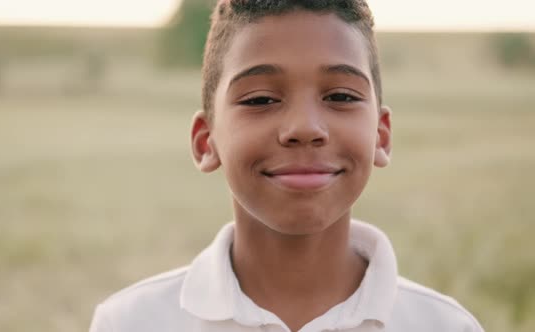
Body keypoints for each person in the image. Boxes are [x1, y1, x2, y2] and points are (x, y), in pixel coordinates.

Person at [89, 1, 484, 331]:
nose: (304, 128)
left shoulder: (445, 326)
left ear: (381, 135)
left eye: (342, 96)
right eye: (260, 100)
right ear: (206, 141)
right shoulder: (130, 322)